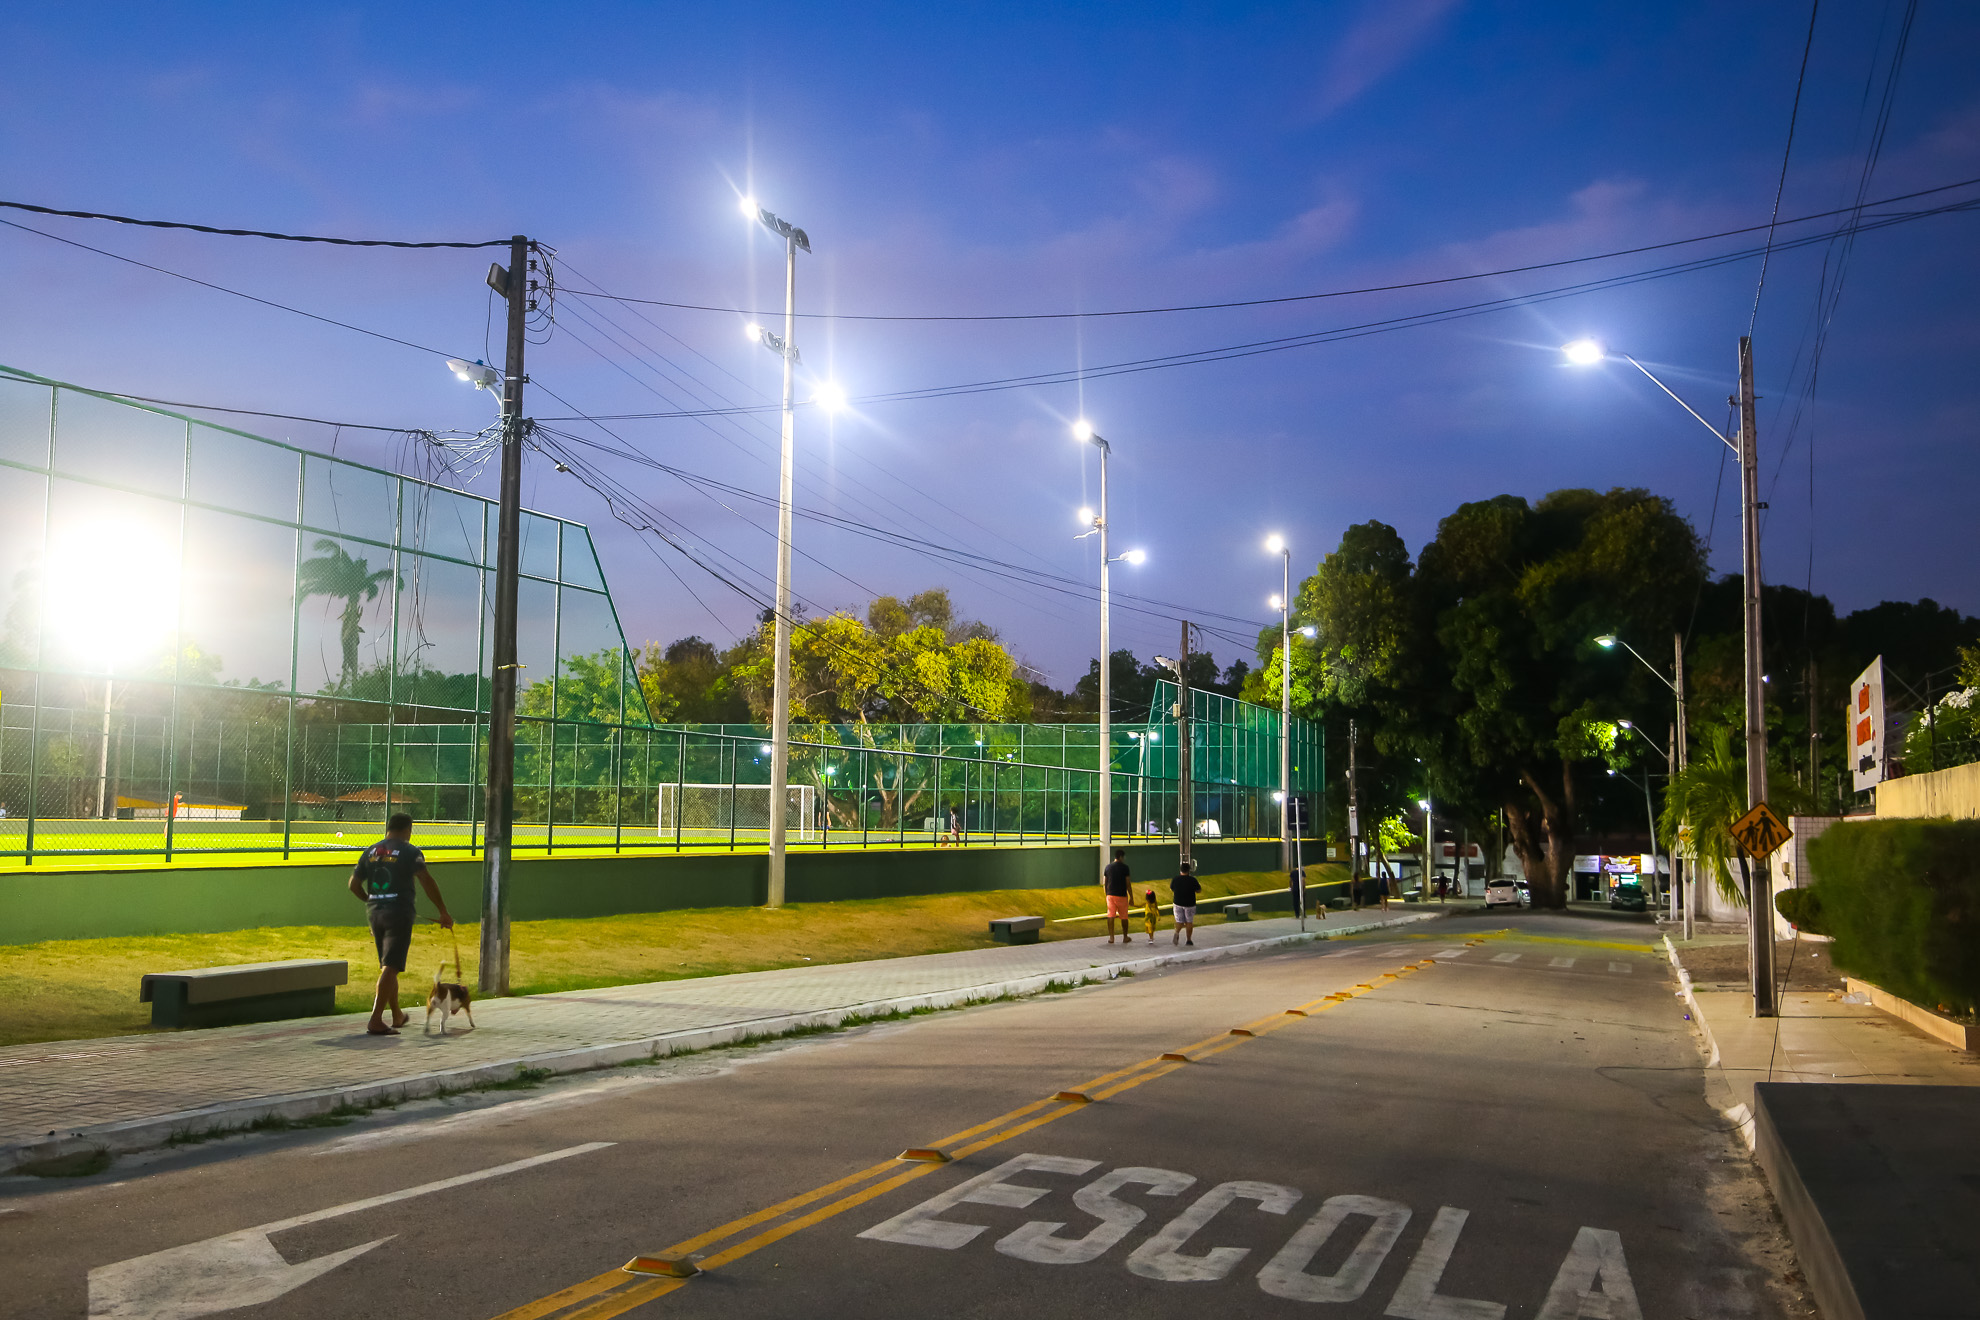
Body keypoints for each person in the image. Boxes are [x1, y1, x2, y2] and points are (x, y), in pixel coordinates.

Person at [346, 812, 453, 1036]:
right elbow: (426, 879)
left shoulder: (371, 851)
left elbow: (353, 884)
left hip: (375, 913)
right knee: (391, 966)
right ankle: (375, 1019)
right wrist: (442, 911)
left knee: (388, 966)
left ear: (388, 828)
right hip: (399, 912)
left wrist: (370, 900)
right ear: (408, 830)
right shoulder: (409, 851)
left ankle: (396, 1014)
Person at [1101, 848, 1131, 943]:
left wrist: (1106, 894)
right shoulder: (1125, 868)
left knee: (1110, 915)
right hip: (1121, 895)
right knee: (1124, 917)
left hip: (1110, 894)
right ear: (1121, 857)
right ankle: (1125, 937)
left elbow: (1105, 882)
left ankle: (1111, 937)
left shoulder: (1108, 867)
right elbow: (1128, 883)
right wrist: (1132, 897)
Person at [1170, 861, 1201, 946]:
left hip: (1177, 903)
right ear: (1189, 870)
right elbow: (1199, 890)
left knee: (1179, 921)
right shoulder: (1192, 880)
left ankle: (1176, 932)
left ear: (1181, 870)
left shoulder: (1175, 879)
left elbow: (1172, 888)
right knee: (1189, 922)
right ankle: (1189, 940)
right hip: (1189, 904)